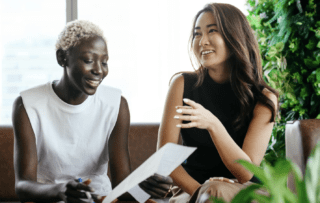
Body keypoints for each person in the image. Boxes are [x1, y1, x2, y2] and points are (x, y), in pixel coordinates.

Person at [12, 20, 172, 203]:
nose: (98, 70)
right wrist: (61, 190)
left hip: (100, 199)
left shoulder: (116, 105)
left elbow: (121, 184)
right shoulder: (27, 105)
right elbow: (23, 185)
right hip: (52, 199)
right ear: (62, 58)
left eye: (104, 62)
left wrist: (145, 188)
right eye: (88, 60)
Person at [157, 3, 278, 203]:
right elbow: (165, 158)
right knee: (211, 193)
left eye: (212, 31)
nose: (202, 41)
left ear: (234, 36)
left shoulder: (263, 99)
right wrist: (201, 192)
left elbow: (246, 173)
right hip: (193, 189)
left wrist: (213, 125)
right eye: (197, 34)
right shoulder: (182, 85)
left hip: (242, 190)